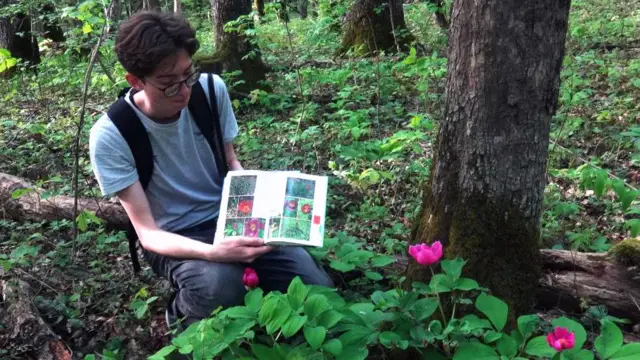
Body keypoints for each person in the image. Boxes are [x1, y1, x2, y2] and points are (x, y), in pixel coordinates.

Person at [88, 11, 333, 331]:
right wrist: (213, 252)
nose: (184, 90)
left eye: (188, 74)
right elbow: (148, 234)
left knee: (316, 286)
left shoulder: (210, 90)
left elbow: (232, 164)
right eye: (169, 84)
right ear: (135, 80)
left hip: (231, 218)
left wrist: (262, 220)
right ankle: (181, 319)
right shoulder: (112, 134)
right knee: (221, 286)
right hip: (173, 236)